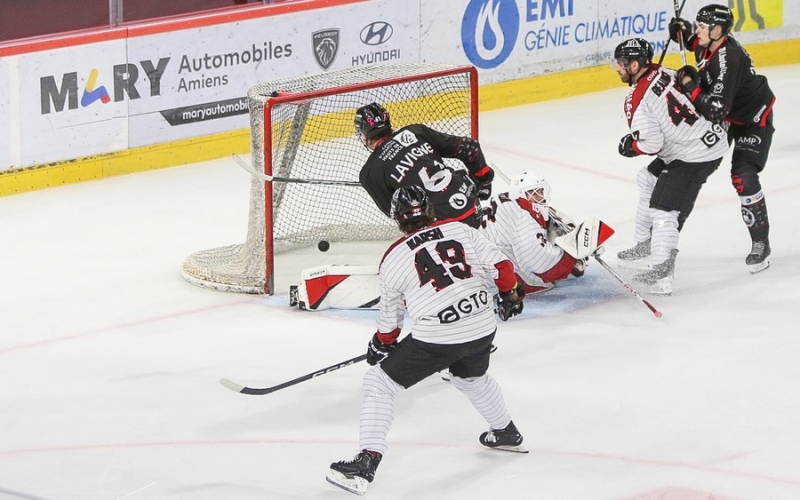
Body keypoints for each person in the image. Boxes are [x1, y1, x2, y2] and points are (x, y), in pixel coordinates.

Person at [326, 185, 527, 496]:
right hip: (482, 325)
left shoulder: (393, 258)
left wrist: (381, 344)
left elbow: (390, 324)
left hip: (438, 337)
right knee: (470, 376)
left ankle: (366, 463)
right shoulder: (460, 230)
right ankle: (505, 432)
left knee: (379, 382)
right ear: (431, 210)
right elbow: (502, 267)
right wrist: (510, 294)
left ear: (397, 219)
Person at [611, 38, 728, 294]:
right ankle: (645, 244)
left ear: (633, 65)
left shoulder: (636, 100)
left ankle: (662, 272)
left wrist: (630, 147)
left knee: (663, 209)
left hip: (694, 154)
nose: (616, 68)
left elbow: (651, 144)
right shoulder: (665, 71)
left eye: (620, 64)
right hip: (706, 138)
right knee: (647, 179)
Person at [669, 4, 776, 272]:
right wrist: (679, 32)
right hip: (729, 117)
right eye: (697, 25)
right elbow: (692, 42)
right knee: (695, 168)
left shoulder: (729, 59)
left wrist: (690, 86)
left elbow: (716, 111)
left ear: (717, 30)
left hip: (752, 120)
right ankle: (665, 236)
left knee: (744, 177)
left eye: (702, 27)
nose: (697, 31)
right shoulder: (709, 42)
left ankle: (761, 243)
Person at [355, 102, 495, 229]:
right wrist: (484, 181)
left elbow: (398, 215)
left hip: (441, 227)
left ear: (363, 134)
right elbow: (470, 148)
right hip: (471, 206)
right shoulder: (415, 131)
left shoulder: (369, 174)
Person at [481, 170, 587, 295]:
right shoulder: (520, 212)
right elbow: (536, 259)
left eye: (541, 191)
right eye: (533, 192)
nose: (540, 196)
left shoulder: (510, 205)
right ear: (519, 194)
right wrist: (571, 256)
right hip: (482, 277)